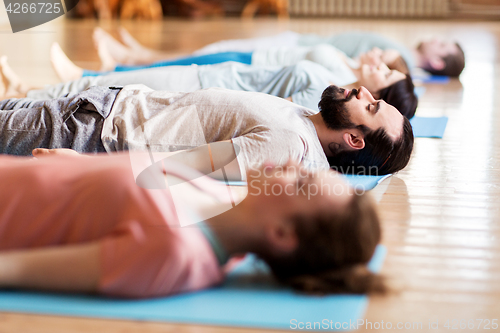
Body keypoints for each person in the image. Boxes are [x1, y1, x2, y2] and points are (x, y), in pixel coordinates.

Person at [0, 150, 385, 298]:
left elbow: (13, 269)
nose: (297, 166)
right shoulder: (219, 197)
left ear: (282, 234)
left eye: (302, 182)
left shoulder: (171, 253)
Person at [0, 83, 413, 175]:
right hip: (103, 105)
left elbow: (183, 169)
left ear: (354, 139)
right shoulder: (308, 119)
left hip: (91, 131)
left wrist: (85, 168)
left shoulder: (288, 143)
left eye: (371, 105)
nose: (362, 91)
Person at [3, 52, 417, 118]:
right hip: (210, 77)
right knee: (102, 82)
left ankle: (21, 96)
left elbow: (274, 107)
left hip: (198, 84)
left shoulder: (321, 95)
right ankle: (24, 92)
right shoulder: (332, 82)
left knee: (101, 86)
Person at [96, 28, 464, 77]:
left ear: (436, 62)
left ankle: (127, 61)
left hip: (293, 50)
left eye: (444, 46)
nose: (437, 38)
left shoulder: (398, 58)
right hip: (299, 48)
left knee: (215, 52)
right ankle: (135, 55)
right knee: (214, 51)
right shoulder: (404, 65)